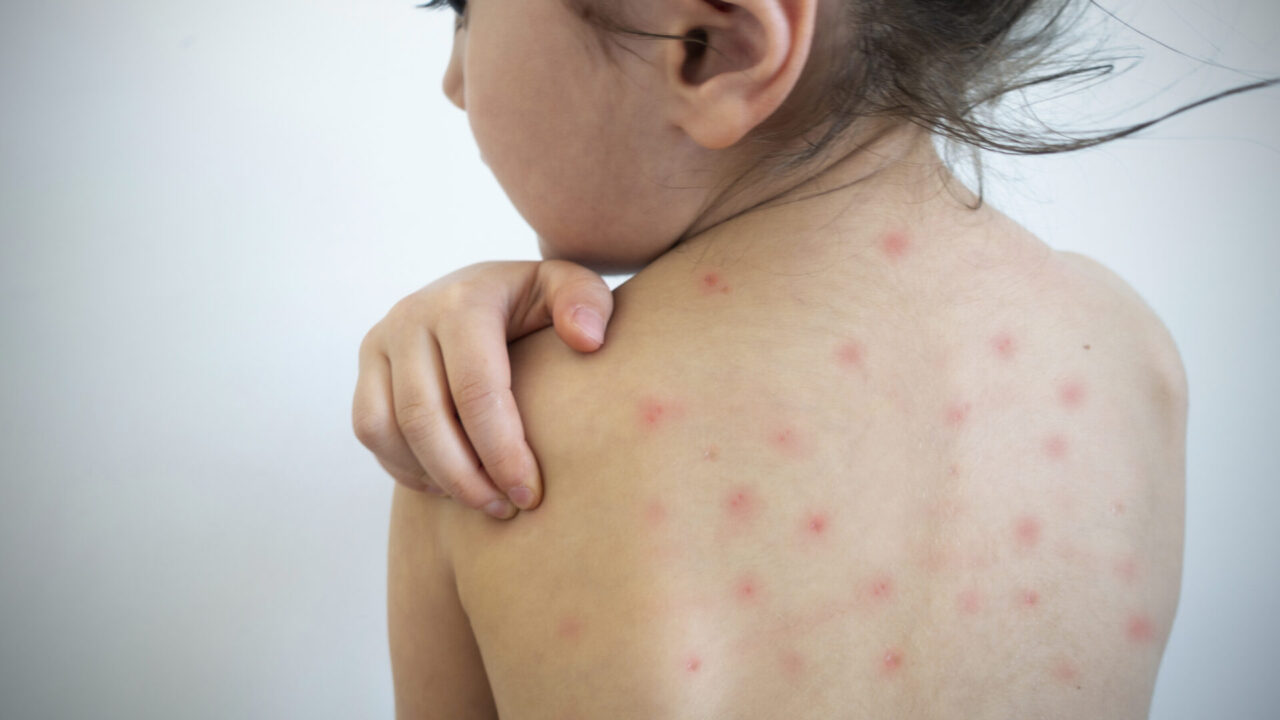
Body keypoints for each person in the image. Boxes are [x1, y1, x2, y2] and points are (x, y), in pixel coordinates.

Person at [352, 0, 1269, 716]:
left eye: (464, 7)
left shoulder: (494, 429)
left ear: (714, 46)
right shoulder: (1129, 352)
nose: (455, 80)